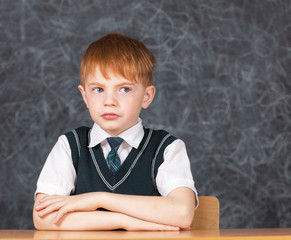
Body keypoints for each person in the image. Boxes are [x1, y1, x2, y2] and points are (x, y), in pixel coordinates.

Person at [33, 33, 198, 231]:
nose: (109, 101)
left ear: (147, 96)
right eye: (98, 89)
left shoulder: (167, 148)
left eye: (124, 89)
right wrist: (124, 221)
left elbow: (182, 213)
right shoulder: (70, 145)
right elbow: (43, 218)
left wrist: (99, 199)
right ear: (84, 96)